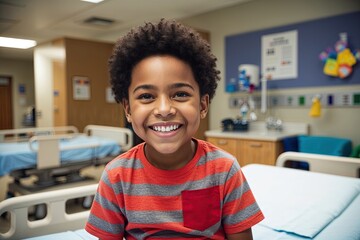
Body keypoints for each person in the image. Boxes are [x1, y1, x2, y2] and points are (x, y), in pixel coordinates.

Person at [85, 18, 264, 240]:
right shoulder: (116, 177)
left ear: (203, 105)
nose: (164, 109)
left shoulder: (224, 171)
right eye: (146, 96)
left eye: (180, 94)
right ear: (128, 109)